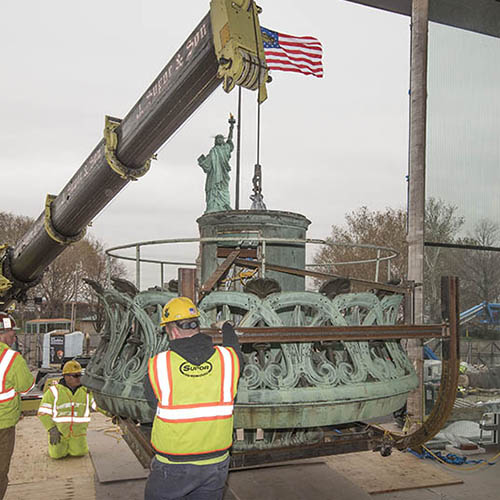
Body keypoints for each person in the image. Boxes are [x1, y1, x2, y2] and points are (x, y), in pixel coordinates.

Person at [144, 297, 243, 500]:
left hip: (173, 466)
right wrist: (226, 327)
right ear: (197, 326)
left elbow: (153, 403)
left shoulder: (159, 365)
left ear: (172, 330)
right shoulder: (228, 360)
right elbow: (235, 348)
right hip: (215, 464)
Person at [0, 312, 35, 500]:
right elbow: (26, 386)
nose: (14, 337)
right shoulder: (12, 358)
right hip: (3, 425)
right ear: (3, 333)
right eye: (12, 333)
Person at [37, 360, 97, 459]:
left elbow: (98, 405)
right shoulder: (54, 391)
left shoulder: (86, 391)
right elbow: (43, 412)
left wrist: (113, 412)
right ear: (66, 376)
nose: (79, 378)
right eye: (75, 376)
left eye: (80, 375)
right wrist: (52, 429)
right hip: (59, 433)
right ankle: (58, 446)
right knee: (57, 455)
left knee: (79, 453)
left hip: (78, 434)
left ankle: (75, 446)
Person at [197, 114, 235, 213]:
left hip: (223, 174)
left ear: (223, 140)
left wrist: (231, 127)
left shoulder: (225, 148)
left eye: (221, 138)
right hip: (214, 175)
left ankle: (224, 205)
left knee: (223, 188)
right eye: (217, 139)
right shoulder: (213, 151)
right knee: (213, 189)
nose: (219, 140)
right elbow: (207, 165)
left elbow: (230, 139)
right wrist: (202, 161)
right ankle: (213, 206)